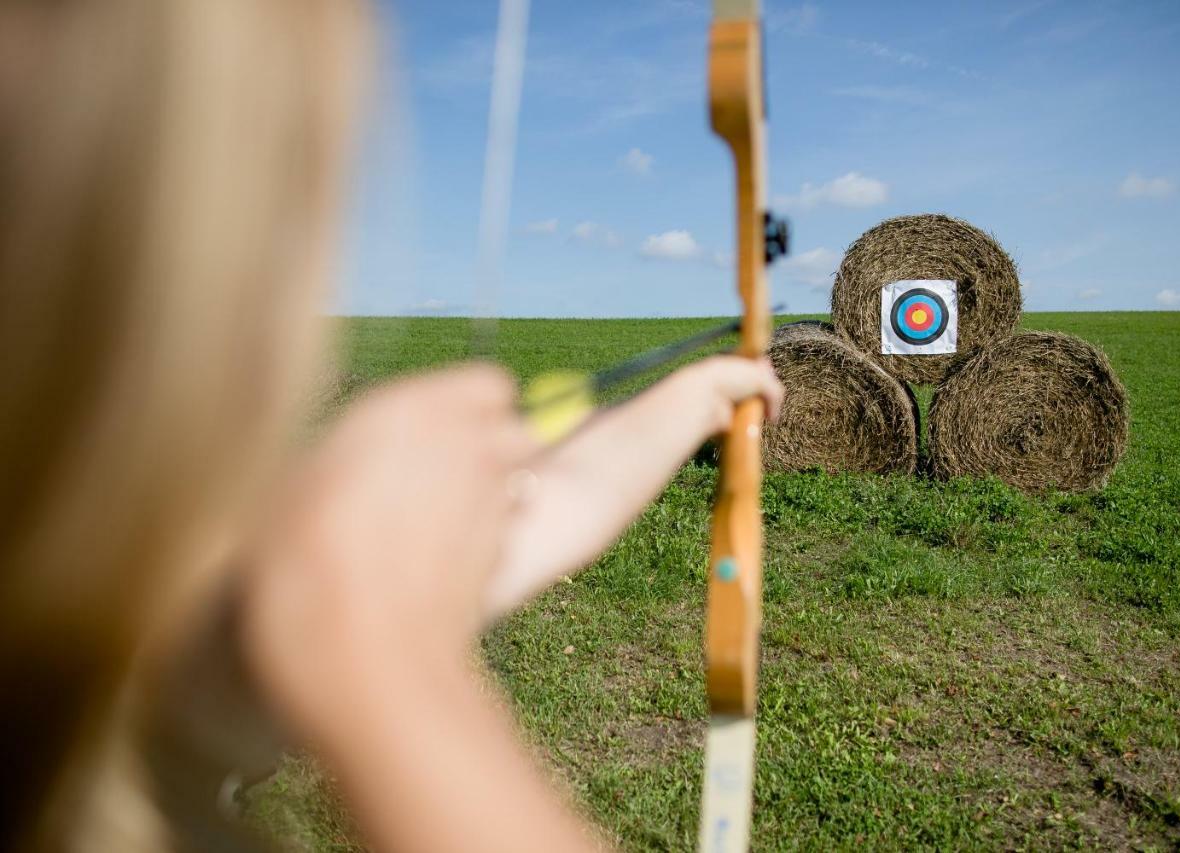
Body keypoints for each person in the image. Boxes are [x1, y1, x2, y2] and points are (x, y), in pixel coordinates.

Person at [0, 1, 784, 850]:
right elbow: (363, 598)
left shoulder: (130, 625)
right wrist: (377, 652)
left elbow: (546, 503)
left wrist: (700, 396)